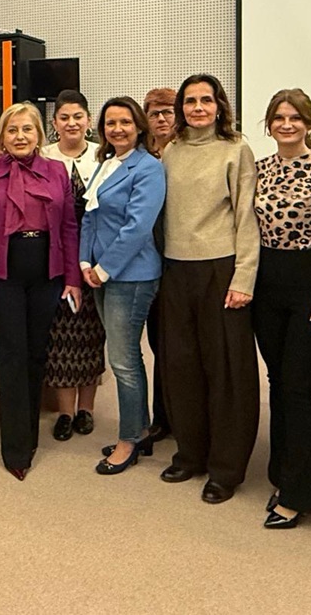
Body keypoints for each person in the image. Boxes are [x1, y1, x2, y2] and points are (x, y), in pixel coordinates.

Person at [158, 74, 260, 504]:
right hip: (176, 270)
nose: (197, 108)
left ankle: (225, 469)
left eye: (206, 100)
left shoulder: (236, 150)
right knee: (181, 368)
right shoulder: (171, 151)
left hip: (221, 269)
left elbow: (247, 217)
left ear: (219, 106)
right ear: (181, 108)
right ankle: (190, 454)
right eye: (190, 101)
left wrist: (244, 278)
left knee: (226, 374)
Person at [0, 102, 81, 481]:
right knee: (12, 357)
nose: (20, 136)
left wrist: (72, 278)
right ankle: (16, 449)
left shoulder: (57, 170)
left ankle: (30, 434)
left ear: (39, 134)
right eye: (12, 130)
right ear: (2, 135)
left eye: (27, 129)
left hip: (47, 270)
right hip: (4, 273)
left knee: (36, 355)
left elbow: (69, 227)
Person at [252, 89, 311, 529]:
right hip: (267, 284)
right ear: (268, 124)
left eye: (295, 118)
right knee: (277, 381)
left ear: (309, 123)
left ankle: (302, 493)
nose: (286, 125)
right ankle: (283, 473)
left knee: (296, 387)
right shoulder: (259, 169)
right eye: (279, 118)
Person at [81, 96, 166, 475]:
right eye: (110, 123)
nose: (117, 129)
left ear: (139, 127)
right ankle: (141, 429)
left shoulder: (148, 168)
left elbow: (138, 227)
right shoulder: (105, 164)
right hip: (99, 272)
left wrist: (104, 269)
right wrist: (85, 261)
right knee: (124, 355)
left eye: (125, 122)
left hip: (131, 276)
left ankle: (129, 439)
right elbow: (89, 216)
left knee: (123, 359)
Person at [39, 89, 105, 441]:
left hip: (96, 258)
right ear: (54, 123)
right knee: (60, 336)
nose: (71, 123)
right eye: (64, 117)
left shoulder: (103, 154)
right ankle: (65, 412)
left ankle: (86, 409)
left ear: (88, 120)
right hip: (56, 256)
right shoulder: (43, 157)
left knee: (92, 335)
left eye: (78, 116)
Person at [141, 87, 178, 446]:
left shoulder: (186, 152)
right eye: (155, 113)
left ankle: (183, 416)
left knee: (178, 344)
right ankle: (162, 417)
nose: (162, 119)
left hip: (182, 262)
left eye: (169, 112)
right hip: (147, 262)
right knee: (157, 343)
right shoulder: (140, 155)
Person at [143, 88, 177, 158]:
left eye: (167, 112)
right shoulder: (140, 154)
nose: (161, 119)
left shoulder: (189, 149)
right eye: (154, 114)